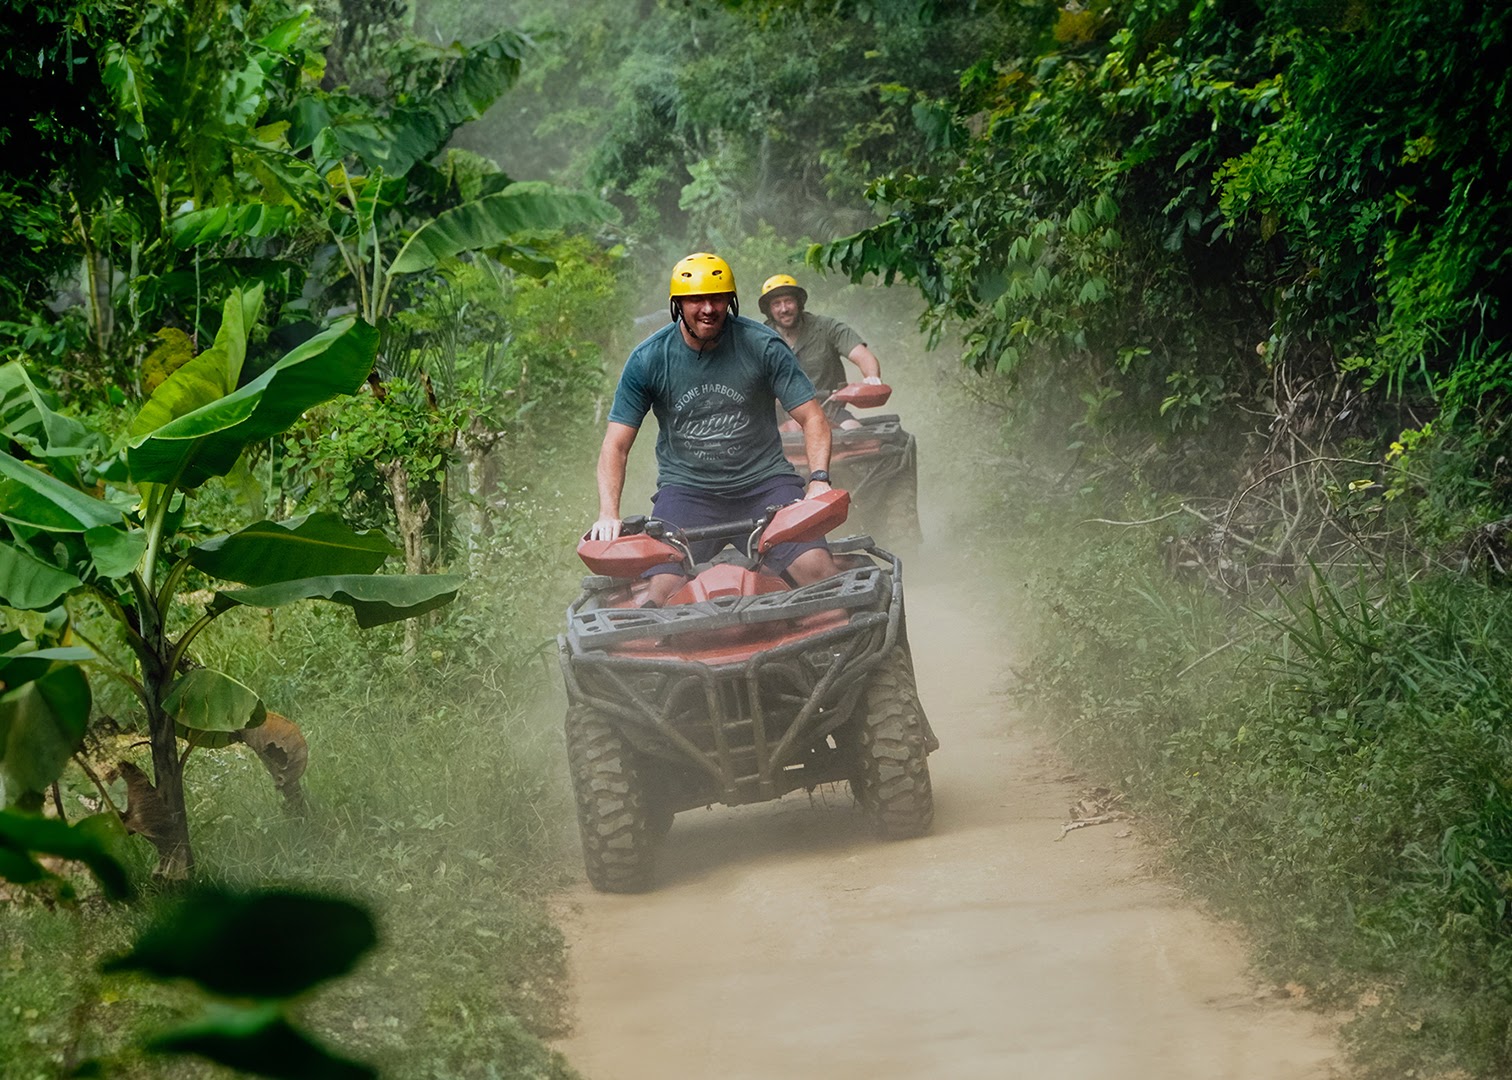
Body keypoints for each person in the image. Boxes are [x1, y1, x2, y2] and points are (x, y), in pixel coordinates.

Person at [589, 253, 843, 606]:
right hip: (688, 492)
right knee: (660, 594)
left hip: (765, 484)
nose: (708, 308)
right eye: (696, 299)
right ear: (678, 305)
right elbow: (616, 445)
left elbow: (813, 417)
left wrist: (818, 481)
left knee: (817, 570)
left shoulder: (763, 346)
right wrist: (608, 514)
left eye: (717, 298)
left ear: (731, 301)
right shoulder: (648, 359)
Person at [758, 274, 884, 430]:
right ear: (769, 310)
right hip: (779, 419)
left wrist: (871, 377)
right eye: (776, 304)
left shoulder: (826, 328)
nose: (784, 309)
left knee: (855, 432)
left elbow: (863, 356)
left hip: (829, 411)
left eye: (788, 301)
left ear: (799, 303)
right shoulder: (759, 338)